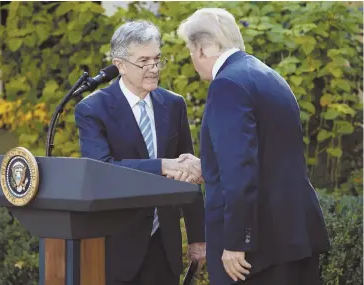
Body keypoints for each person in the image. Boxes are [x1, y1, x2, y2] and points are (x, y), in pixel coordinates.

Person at [177, 8, 330, 285]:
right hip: (293, 237)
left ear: (200, 49)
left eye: (190, 51)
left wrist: (236, 240)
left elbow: (240, 169)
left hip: (256, 253)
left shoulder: (227, 85)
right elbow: (268, 156)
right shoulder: (268, 76)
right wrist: (209, 167)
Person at [74, 20, 206, 285]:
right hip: (117, 246)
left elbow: (189, 170)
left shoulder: (173, 104)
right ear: (120, 64)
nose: (154, 68)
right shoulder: (92, 109)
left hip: (164, 245)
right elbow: (102, 170)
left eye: (157, 59)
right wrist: (161, 167)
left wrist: (197, 236)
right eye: (143, 61)